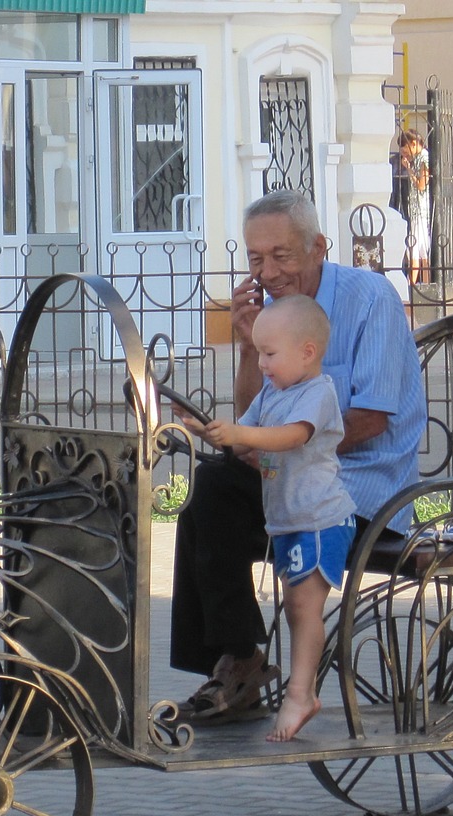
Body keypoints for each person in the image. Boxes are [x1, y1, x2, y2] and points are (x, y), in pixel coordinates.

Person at [169, 189, 425, 725]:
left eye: (282, 256)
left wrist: (267, 446)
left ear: (318, 248)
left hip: (360, 490)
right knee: (206, 496)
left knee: (217, 490)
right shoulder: (279, 315)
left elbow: (373, 419)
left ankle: (239, 662)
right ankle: (239, 659)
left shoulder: (369, 298)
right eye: (256, 258)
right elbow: (254, 416)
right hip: (297, 479)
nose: (269, 272)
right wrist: (246, 348)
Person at [184, 294, 357, 741]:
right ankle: (298, 689)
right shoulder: (274, 392)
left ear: (307, 352)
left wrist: (241, 431)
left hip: (320, 520)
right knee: (295, 606)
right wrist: (200, 429)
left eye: (269, 353)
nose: (261, 363)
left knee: (303, 608)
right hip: (288, 520)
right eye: (258, 352)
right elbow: (241, 445)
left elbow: (287, 438)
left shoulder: (318, 394)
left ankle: (301, 693)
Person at [398, 129, 431, 286]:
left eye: (406, 149)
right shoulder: (420, 158)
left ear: (413, 144)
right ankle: (425, 283)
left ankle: (411, 285)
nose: (405, 154)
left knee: (414, 246)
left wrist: (409, 169)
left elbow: (421, 185)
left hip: (420, 209)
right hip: (418, 209)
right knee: (422, 248)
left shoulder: (423, 158)